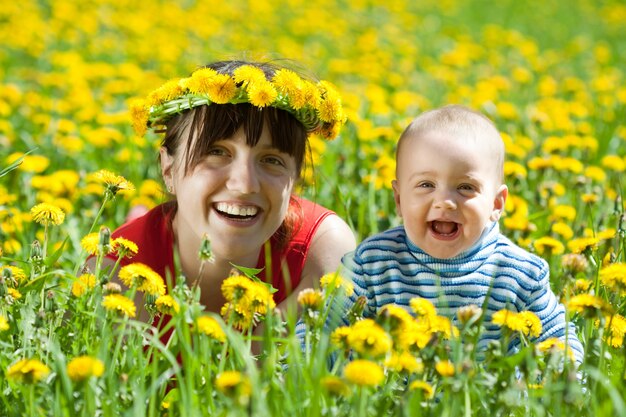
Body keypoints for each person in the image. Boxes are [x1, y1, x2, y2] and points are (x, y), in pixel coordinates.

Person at [326, 104, 584, 364]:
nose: (445, 202)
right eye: (426, 185)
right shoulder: (373, 262)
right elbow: (325, 328)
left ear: (496, 204)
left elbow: (557, 338)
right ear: (399, 199)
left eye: (465, 187)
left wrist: (571, 387)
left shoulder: (519, 274)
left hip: (486, 401)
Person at [99, 59, 356, 318]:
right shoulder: (115, 277)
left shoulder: (322, 252)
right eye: (216, 152)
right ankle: (137, 217)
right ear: (168, 170)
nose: (244, 185)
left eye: (271, 160)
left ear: (295, 178)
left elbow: (264, 358)